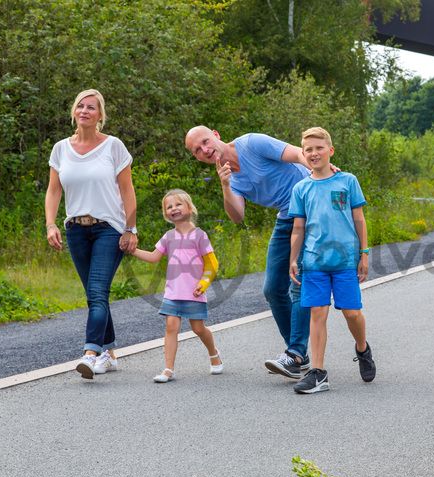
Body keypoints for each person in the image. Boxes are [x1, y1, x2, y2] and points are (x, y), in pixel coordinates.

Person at [184, 125, 314, 380]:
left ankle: (296, 353)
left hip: (311, 206)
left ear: (216, 135)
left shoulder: (251, 143)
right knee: (273, 289)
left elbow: (297, 153)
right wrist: (225, 185)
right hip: (287, 216)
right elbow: (237, 216)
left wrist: (319, 176)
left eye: (205, 142)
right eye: (197, 151)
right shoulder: (227, 175)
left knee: (298, 280)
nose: (205, 150)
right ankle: (297, 356)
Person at [45, 89, 138, 380]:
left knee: (97, 292)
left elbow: (127, 191)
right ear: (74, 111)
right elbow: (54, 190)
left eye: (92, 107)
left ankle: (90, 353)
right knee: (94, 294)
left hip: (108, 229)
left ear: (100, 115)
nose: (85, 110)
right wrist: (51, 224)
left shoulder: (113, 147)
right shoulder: (61, 149)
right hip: (75, 230)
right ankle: (109, 353)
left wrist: (130, 228)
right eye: (81, 106)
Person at [288, 127, 375, 394]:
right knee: (317, 313)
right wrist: (293, 259)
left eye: (319, 148)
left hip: (345, 261)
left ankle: (362, 348)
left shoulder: (347, 181)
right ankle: (318, 372)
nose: (314, 153)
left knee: (352, 313)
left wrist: (364, 253)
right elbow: (298, 228)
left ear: (331, 151)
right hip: (314, 262)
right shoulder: (301, 188)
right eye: (308, 150)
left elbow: (359, 219)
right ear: (303, 154)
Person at [130, 189, 223, 383]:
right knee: (171, 326)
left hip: (194, 292)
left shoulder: (200, 235)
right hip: (172, 292)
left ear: (190, 207)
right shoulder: (168, 236)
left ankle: (214, 354)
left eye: (178, 204)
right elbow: (154, 257)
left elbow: (212, 264)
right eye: (169, 206)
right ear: (166, 214)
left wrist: (204, 283)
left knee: (198, 329)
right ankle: (168, 369)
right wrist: (133, 250)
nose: (174, 208)